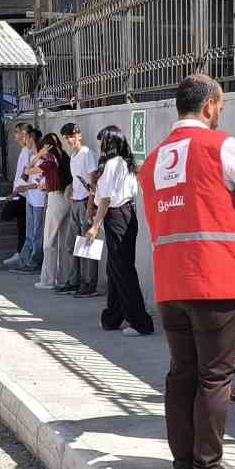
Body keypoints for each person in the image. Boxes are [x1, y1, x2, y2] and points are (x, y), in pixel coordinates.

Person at [141, 73, 235, 469]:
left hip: (170, 283)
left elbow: (187, 215)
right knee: (215, 376)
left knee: (181, 374)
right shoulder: (220, 146)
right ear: (209, 106)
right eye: (220, 106)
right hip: (215, 282)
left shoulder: (154, 160)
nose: (220, 112)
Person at [85, 128, 153, 335]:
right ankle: (113, 317)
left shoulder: (114, 164)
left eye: (102, 142)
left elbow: (106, 199)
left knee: (123, 270)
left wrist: (94, 226)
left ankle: (140, 322)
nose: (100, 147)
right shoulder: (125, 162)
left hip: (117, 216)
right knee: (114, 269)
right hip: (124, 215)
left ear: (109, 144)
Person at [57, 123, 102, 297]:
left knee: (88, 246)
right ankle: (74, 281)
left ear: (79, 135)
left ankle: (89, 284)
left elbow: (93, 182)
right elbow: (78, 179)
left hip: (85, 203)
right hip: (75, 203)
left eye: (72, 136)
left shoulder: (87, 154)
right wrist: (70, 187)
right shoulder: (73, 156)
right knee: (71, 245)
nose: (69, 140)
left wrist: (90, 207)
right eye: (66, 137)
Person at [36, 132, 76, 291]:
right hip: (67, 199)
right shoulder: (65, 157)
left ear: (46, 147)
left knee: (49, 241)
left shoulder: (49, 161)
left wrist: (38, 155)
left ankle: (48, 279)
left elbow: (28, 171)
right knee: (63, 241)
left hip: (55, 199)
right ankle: (63, 278)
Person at [11, 124, 48, 274]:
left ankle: (34, 263)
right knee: (29, 234)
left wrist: (24, 187)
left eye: (27, 139)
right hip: (31, 200)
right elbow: (25, 173)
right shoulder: (33, 157)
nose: (24, 141)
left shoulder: (43, 159)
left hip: (39, 201)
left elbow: (40, 183)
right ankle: (25, 261)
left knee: (37, 234)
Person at [3, 123, 34, 267]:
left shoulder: (29, 152)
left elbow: (26, 175)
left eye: (17, 132)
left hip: (24, 194)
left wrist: (17, 190)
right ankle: (20, 253)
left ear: (24, 134)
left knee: (10, 216)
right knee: (21, 226)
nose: (15, 135)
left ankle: (24, 256)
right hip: (19, 192)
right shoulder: (23, 150)